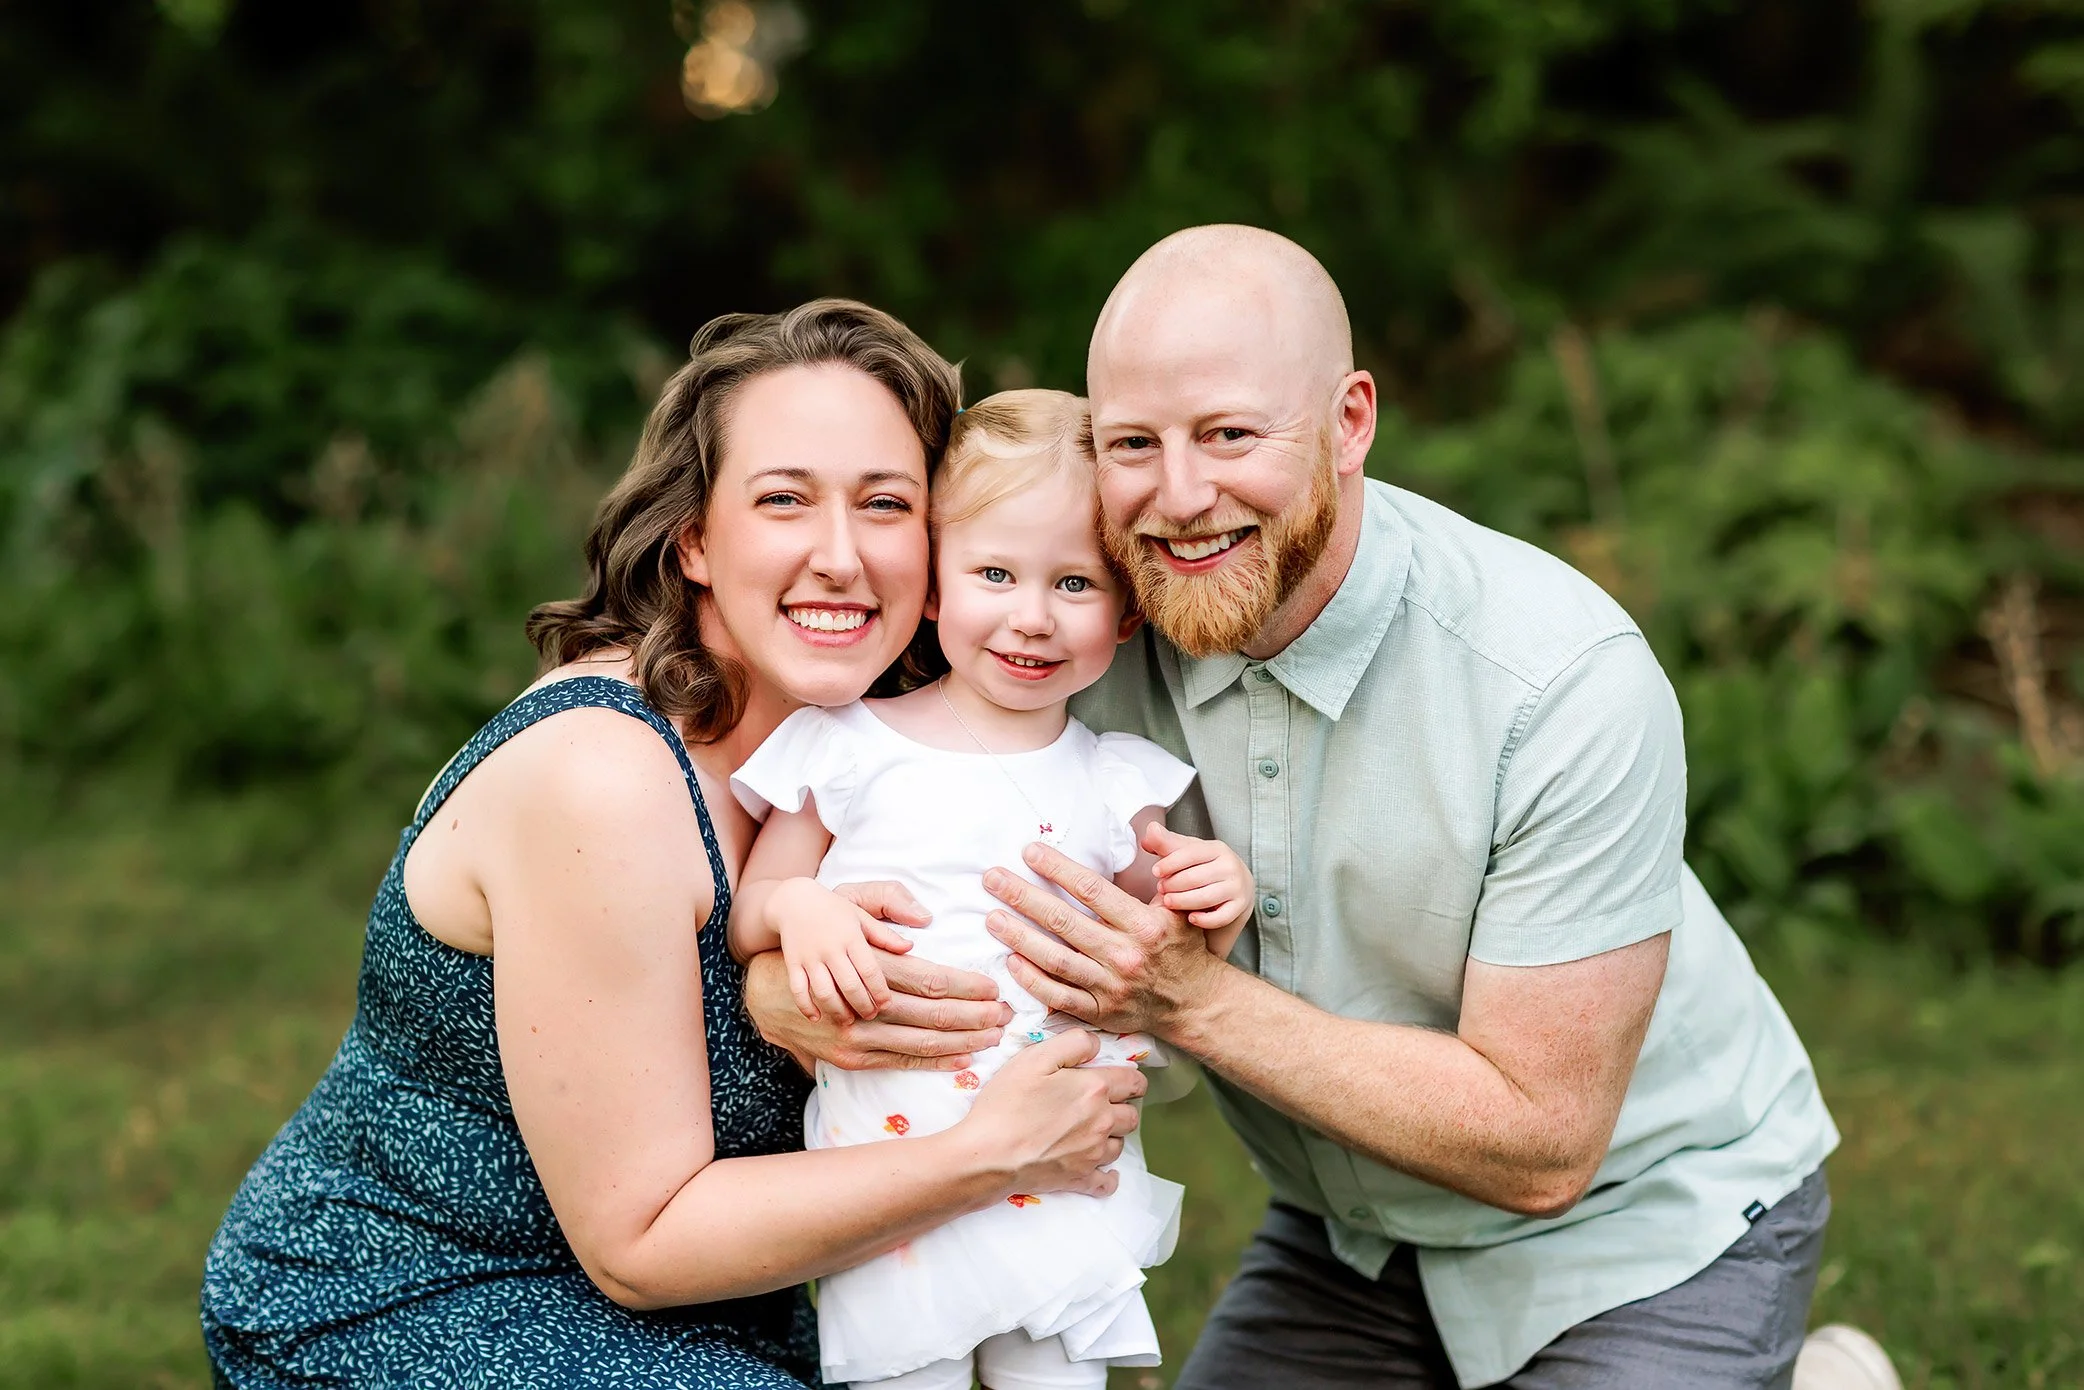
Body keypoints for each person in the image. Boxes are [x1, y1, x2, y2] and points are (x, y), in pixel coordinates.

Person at [743, 235, 1849, 1389]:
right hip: (1352, 1238)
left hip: (1645, 1227)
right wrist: (787, 979)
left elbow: (1539, 1146)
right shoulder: (1068, 630)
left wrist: (1185, 994)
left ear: (1349, 421)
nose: (1178, 498)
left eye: (1228, 434)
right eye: (1133, 444)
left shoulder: (1556, 682)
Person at [199, 301, 1148, 1388]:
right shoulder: (604, 776)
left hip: (719, 1305)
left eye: (883, 504)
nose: (839, 556)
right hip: (410, 1291)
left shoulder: (895, 756)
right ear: (695, 538)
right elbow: (641, 1245)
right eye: (784, 499)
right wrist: (986, 1156)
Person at [726, 389, 1255, 1390]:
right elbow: (755, 907)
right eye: (995, 573)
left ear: (1127, 609)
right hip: (888, 1167)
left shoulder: (1116, 780)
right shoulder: (849, 748)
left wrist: (1209, 887)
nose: (1031, 616)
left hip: (1059, 1165)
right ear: (933, 584)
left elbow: (1166, 946)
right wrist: (802, 911)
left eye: (1072, 582)